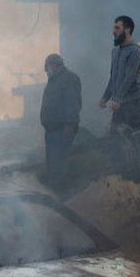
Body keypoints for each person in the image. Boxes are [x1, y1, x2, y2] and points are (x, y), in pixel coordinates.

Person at [39, 53, 82, 190]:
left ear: (53, 65)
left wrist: (69, 125)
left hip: (61, 130)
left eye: (47, 68)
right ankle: (54, 186)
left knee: (59, 161)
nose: (46, 72)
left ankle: (61, 190)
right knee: (52, 161)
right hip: (52, 130)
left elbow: (72, 103)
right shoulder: (55, 80)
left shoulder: (68, 79)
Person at [99, 15, 140, 131]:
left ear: (127, 29)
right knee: (115, 138)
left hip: (133, 102)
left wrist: (118, 99)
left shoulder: (135, 51)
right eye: (114, 28)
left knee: (130, 138)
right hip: (120, 103)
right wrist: (105, 98)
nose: (113, 32)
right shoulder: (115, 51)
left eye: (117, 28)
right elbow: (113, 78)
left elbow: (129, 78)